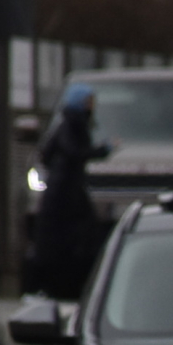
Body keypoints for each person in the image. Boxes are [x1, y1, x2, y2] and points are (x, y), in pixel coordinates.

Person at [33, 84, 113, 299]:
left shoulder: (66, 124)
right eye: (89, 102)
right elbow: (73, 151)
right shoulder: (73, 125)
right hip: (66, 194)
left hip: (63, 192)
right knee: (78, 238)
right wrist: (101, 151)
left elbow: (47, 153)